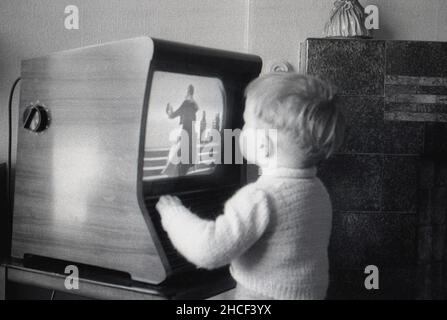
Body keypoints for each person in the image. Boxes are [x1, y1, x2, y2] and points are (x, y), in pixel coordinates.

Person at [156, 73, 345, 300]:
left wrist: (172, 214)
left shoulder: (260, 197)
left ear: (264, 146)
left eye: (245, 124)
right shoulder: (317, 190)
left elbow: (207, 250)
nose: (240, 130)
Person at [163, 84, 199, 176]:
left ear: (187, 92)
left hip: (184, 133)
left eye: (186, 91)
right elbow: (196, 108)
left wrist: (169, 111)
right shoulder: (194, 105)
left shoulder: (185, 104)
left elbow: (172, 115)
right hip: (191, 135)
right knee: (185, 163)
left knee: (175, 155)